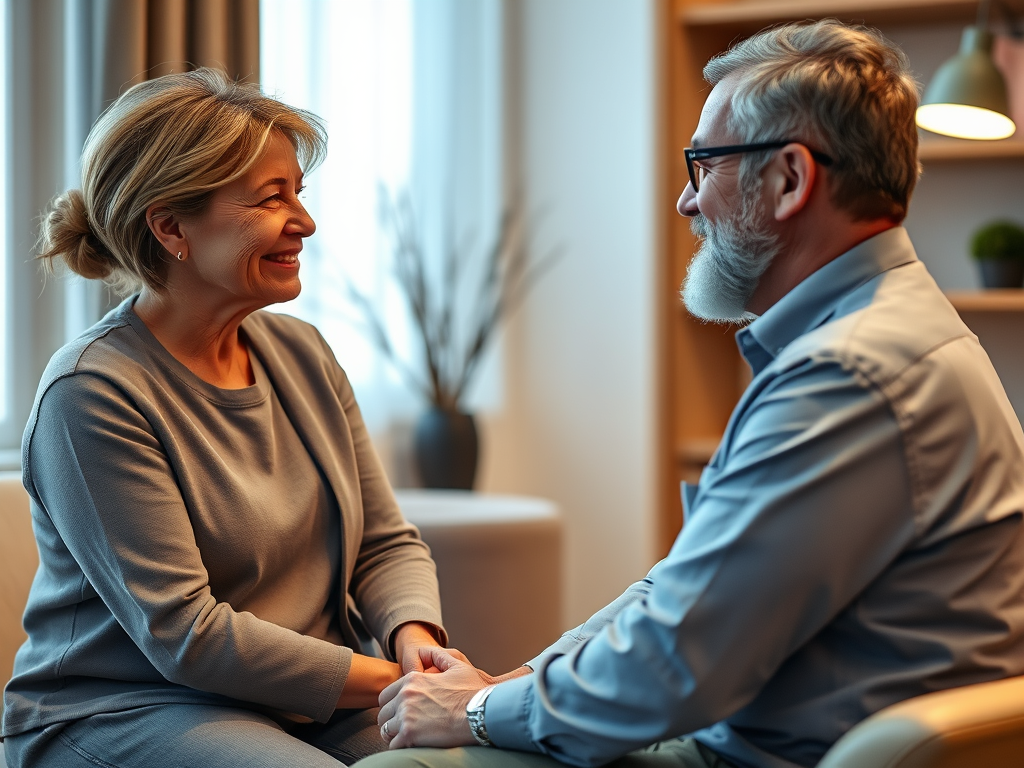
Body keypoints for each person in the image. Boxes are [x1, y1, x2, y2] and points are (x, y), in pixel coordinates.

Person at [355, 19, 1024, 768]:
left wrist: (475, 712)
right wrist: (518, 682)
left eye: (702, 164)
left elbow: (673, 665)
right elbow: (685, 591)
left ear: (790, 180)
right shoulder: (888, 333)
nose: (686, 201)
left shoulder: (849, 374)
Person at [0, 68, 447, 768]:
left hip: (301, 701)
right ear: (172, 225)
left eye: (299, 194)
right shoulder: (92, 392)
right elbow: (187, 635)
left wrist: (415, 641)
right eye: (273, 199)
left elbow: (384, 543)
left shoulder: (302, 353)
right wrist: (405, 685)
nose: (305, 222)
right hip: (128, 708)